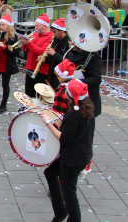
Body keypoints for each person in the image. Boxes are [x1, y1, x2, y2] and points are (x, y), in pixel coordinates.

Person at [41, 79, 95, 222]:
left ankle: (68, 216)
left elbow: (64, 138)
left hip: (72, 159)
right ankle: (60, 212)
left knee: (70, 194)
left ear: (68, 96)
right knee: (50, 173)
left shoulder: (73, 114)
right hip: (81, 154)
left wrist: (47, 122)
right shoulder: (88, 110)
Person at [20, 13, 54, 97]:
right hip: (30, 68)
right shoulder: (35, 34)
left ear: (45, 26)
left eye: (37, 26)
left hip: (41, 70)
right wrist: (24, 43)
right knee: (29, 93)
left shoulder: (50, 36)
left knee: (41, 95)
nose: (35, 28)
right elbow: (26, 49)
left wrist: (29, 43)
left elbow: (42, 52)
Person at [64, 45, 103, 116]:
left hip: (86, 98)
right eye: (71, 40)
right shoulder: (70, 53)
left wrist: (77, 81)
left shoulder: (94, 57)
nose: (72, 43)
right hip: (72, 96)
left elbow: (96, 79)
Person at [44, 18, 71, 89]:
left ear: (62, 31)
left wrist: (54, 53)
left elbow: (67, 61)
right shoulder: (56, 40)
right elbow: (53, 59)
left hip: (62, 77)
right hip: (53, 74)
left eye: (55, 32)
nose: (53, 34)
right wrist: (45, 59)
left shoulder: (68, 43)